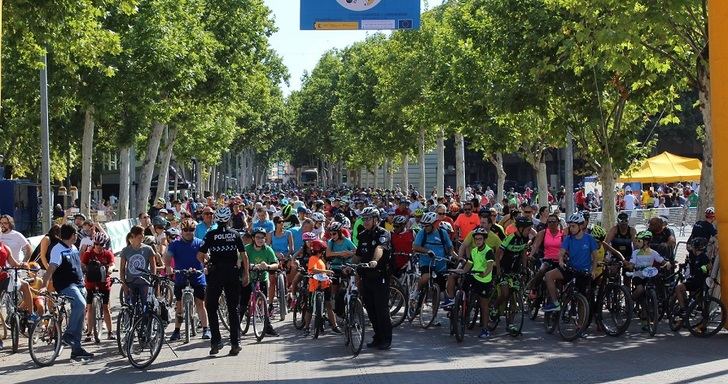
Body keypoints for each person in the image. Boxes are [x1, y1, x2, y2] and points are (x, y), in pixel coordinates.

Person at [199, 207, 249, 356]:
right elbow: (244, 256)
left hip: (216, 274)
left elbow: (200, 255)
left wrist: (206, 264)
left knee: (211, 305)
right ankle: (235, 343)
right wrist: (246, 273)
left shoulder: (211, 234)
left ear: (216, 220)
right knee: (233, 308)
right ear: (228, 220)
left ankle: (216, 341)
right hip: (232, 273)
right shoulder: (235, 234)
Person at [40, 224, 94, 360]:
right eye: (76, 234)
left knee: (80, 316)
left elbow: (77, 266)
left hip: (79, 284)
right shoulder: (57, 250)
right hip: (66, 285)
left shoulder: (74, 247)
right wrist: (44, 286)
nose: (77, 236)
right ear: (72, 235)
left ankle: (76, 349)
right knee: (81, 305)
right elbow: (51, 269)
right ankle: (68, 335)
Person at [354, 207, 392, 350]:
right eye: (364, 219)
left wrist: (375, 261)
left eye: (368, 218)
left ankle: (386, 339)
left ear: (376, 219)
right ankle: (378, 336)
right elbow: (358, 254)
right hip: (366, 277)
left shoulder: (384, 233)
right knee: (370, 309)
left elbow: (380, 249)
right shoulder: (362, 234)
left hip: (380, 276)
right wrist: (349, 264)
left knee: (381, 309)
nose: (365, 221)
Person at [543, 214, 598, 313]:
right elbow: (561, 252)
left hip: (583, 272)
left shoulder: (589, 239)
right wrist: (560, 261)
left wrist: (593, 271)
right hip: (570, 269)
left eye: (573, 226)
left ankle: (581, 325)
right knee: (548, 275)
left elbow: (595, 257)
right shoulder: (568, 238)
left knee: (582, 301)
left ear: (580, 226)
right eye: (570, 226)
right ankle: (555, 303)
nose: (571, 229)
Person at [167, 219, 210, 342]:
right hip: (181, 276)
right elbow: (168, 257)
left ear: (194, 231)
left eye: (191, 230)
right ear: (181, 231)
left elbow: (206, 257)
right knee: (179, 305)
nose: (188, 232)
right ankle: (176, 330)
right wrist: (169, 267)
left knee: (200, 303)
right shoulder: (175, 244)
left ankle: (206, 329)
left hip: (197, 276)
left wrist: (207, 266)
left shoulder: (200, 243)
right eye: (185, 230)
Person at [491, 216, 532, 333]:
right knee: (505, 293)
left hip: (515, 271)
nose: (529, 231)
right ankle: (495, 308)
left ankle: (511, 324)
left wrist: (524, 268)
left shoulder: (525, 239)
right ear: (520, 228)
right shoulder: (510, 238)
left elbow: (524, 253)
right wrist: (498, 269)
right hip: (504, 269)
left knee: (514, 296)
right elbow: (498, 254)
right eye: (528, 229)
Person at [624, 230, 671, 331]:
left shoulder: (653, 253)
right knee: (640, 290)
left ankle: (646, 323)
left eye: (639, 241)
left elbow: (662, 260)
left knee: (646, 300)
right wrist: (631, 266)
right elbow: (632, 263)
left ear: (645, 242)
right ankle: (630, 299)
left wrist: (667, 264)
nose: (636, 242)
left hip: (648, 276)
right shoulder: (636, 252)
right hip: (638, 276)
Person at [454, 227, 495, 339]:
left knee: (483, 304)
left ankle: (485, 329)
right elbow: (469, 264)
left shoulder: (488, 251)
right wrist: (462, 271)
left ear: (484, 240)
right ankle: (459, 306)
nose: (477, 241)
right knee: (461, 284)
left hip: (484, 280)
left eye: (480, 239)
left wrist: (484, 274)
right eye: (476, 239)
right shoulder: (473, 250)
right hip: (474, 276)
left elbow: (490, 266)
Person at [241, 227, 279, 337]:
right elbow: (240, 261)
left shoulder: (268, 250)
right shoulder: (247, 249)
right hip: (249, 277)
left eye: (262, 238)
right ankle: (237, 325)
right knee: (243, 302)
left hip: (261, 278)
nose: (260, 240)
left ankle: (267, 327)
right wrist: (249, 266)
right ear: (253, 238)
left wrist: (267, 266)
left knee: (263, 304)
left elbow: (275, 264)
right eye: (258, 237)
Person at [412, 212, 455, 307]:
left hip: (440, 264)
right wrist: (427, 251)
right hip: (426, 262)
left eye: (427, 226)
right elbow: (415, 246)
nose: (425, 228)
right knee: (426, 277)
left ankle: (434, 317)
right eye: (424, 225)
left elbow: (450, 247)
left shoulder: (442, 233)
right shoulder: (422, 232)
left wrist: (455, 257)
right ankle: (416, 291)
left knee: (438, 291)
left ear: (435, 224)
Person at [80, 232, 115, 343]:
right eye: (97, 244)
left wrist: (110, 269)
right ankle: (89, 332)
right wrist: (85, 269)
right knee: (89, 308)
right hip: (90, 283)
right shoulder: (88, 254)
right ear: (94, 243)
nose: (99, 246)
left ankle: (110, 332)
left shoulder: (107, 254)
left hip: (104, 283)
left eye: (101, 244)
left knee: (105, 307)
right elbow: (82, 264)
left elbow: (112, 263)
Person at [303, 239, 340, 336]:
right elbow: (313, 270)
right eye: (322, 251)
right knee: (310, 307)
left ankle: (334, 326)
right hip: (314, 286)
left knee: (328, 305)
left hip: (324, 285)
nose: (323, 252)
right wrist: (326, 272)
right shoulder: (313, 258)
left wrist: (328, 275)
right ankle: (307, 327)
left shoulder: (321, 260)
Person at [119, 226, 157, 307]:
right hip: (130, 282)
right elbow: (122, 269)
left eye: (143, 234)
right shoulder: (126, 250)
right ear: (133, 235)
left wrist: (152, 280)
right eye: (140, 235)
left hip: (144, 282)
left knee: (146, 306)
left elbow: (153, 266)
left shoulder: (148, 249)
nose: (142, 236)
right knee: (130, 307)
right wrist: (124, 284)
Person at [526, 214, 563, 295]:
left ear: (558, 222)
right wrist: (531, 255)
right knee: (542, 269)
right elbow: (536, 245)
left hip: (559, 260)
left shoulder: (562, 234)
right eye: (549, 222)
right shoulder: (544, 232)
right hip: (547, 259)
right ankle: (534, 288)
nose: (552, 223)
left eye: (554, 221)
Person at [325, 221, 356, 313]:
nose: (332, 236)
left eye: (334, 233)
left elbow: (356, 251)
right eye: (330, 234)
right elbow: (328, 253)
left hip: (346, 266)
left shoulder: (347, 241)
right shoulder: (331, 242)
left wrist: (349, 253)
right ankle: (333, 305)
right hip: (335, 267)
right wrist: (341, 253)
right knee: (334, 287)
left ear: (339, 232)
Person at [675, 237, 710, 316]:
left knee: (678, 288)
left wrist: (702, 269)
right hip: (696, 280)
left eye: (693, 247)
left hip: (698, 281)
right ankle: (687, 302)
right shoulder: (698, 257)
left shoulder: (703, 258)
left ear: (696, 248)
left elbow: (707, 268)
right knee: (683, 285)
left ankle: (683, 309)